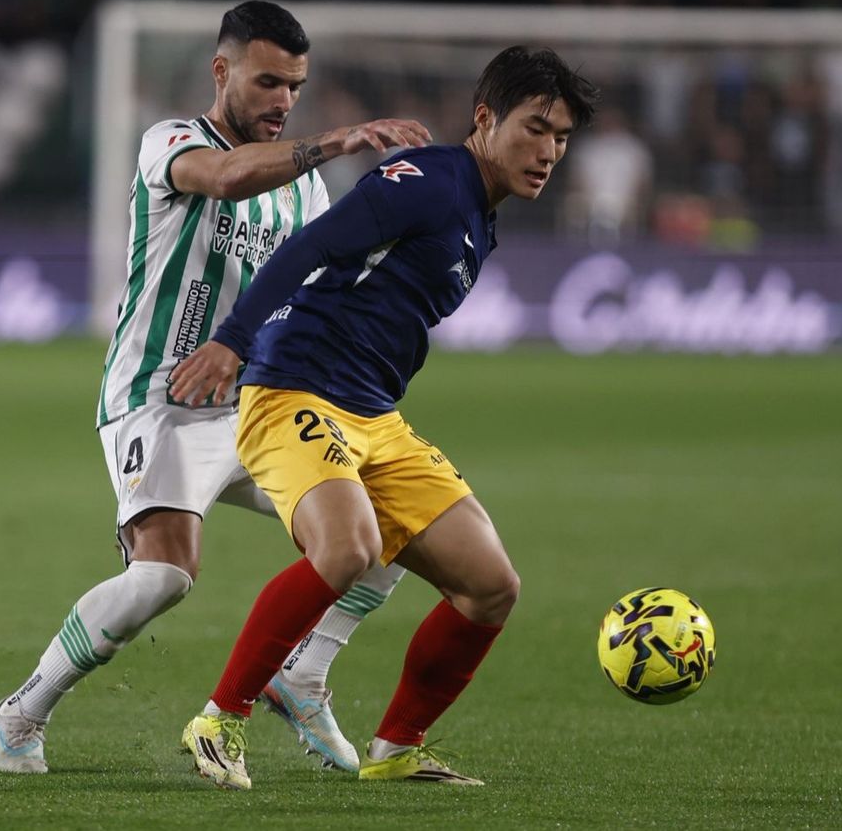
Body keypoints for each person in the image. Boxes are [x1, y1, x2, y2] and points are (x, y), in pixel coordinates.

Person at [0, 0, 432, 775]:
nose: (283, 101)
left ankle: (303, 675)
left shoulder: (305, 193)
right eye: (267, 82)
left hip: (257, 408)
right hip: (157, 400)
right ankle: (22, 711)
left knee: (389, 525)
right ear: (222, 71)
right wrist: (335, 141)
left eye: (295, 86)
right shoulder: (174, 141)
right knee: (163, 577)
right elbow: (223, 180)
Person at [169, 45, 598, 790]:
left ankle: (397, 747)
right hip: (295, 392)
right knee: (348, 549)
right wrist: (234, 343)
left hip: (375, 417)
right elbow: (315, 244)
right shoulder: (430, 179)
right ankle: (219, 717)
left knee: (492, 585)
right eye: (536, 129)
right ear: (485, 117)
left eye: (561, 138)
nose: (550, 152)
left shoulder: (479, 214)